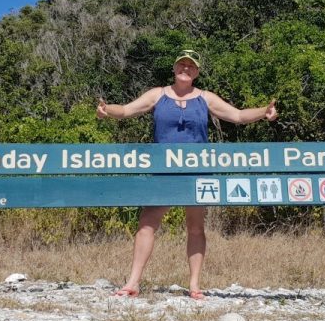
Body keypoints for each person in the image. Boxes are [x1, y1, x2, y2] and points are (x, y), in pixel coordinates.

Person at [96, 50, 278, 300]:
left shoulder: (206, 98)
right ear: (174, 68)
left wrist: (262, 112)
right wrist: (107, 110)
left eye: (191, 66)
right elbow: (127, 110)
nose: (186, 68)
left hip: (198, 171)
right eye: (182, 64)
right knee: (147, 223)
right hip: (164, 171)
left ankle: (194, 285)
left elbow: (236, 115)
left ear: (197, 72)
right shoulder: (157, 94)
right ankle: (132, 283)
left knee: (195, 227)